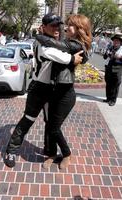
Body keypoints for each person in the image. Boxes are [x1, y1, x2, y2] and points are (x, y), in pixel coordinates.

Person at [4, 13, 83, 168]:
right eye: (52, 25)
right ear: (44, 27)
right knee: (28, 120)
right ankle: (11, 151)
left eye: (58, 25)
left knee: (50, 123)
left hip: (53, 89)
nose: (56, 28)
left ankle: (49, 152)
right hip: (38, 88)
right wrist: (72, 59)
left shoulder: (58, 41)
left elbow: (75, 48)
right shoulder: (42, 43)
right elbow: (51, 54)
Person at [36, 14, 92, 169]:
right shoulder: (66, 41)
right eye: (67, 25)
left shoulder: (77, 45)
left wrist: (39, 35)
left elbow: (54, 44)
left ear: (80, 29)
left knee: (54, 127)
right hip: (54, 90)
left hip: (66, 94)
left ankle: (66, 154)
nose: (67, 27)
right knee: (49, 125)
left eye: (71, 26)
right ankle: (51, 153)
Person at [103, 34, 122, 106]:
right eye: (114, 41)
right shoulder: (110, 47)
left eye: (117, 41)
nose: (115, 42)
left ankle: (113, 100)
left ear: (120, 42)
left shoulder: (121, 49)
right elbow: (104, 57)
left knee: (115, 83)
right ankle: (108, 98)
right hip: (108, 66)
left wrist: (119, 57)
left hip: (117, 67)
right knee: (108, 82)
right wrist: (106, 53)